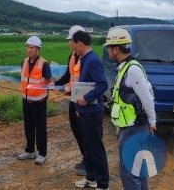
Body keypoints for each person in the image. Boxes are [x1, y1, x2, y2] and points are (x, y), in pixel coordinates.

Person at [105, 28, 157, 190]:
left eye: (109, 47)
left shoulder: (132, 70)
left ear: (116, 49)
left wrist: (152, 121)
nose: (107, 51)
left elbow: (147, 98)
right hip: (130, 126)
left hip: (135, 128)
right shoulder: (124, 67)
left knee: (128, 172)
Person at [71, 31, 110, 190]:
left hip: (93, 111)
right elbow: (86, 84)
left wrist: (85, 99)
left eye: (73, 43)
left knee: (95, 147)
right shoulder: (84, 59)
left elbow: (102, 84)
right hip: (86, 111)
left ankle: (103, 184)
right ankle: (91, 177)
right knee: (87, 146)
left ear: (80, 43)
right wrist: (80, 107)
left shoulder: (92, 60)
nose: (72, 46)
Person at [49, 25, 87, 176]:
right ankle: (85, 157)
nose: (70, 42)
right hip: (73, 99)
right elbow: (68, 76)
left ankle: (88, 161)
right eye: (69, 40)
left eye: (72, 40)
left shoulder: (87, 58)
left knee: (84, 132)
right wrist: (55, 84)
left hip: (82, 101)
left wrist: (71, 91)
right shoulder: (72, 56)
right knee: (76, 130)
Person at [17, 36, 52, 165]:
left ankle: (42, 153)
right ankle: (30, 150)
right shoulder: (24, 62)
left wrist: (44, 95)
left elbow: (48, 82)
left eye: (32, 47)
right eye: (28, 47)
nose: (29, 50)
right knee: (28, 126)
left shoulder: (44, 64)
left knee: (40, 128)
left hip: (39, 101)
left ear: (38, 49)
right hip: (26, 100)